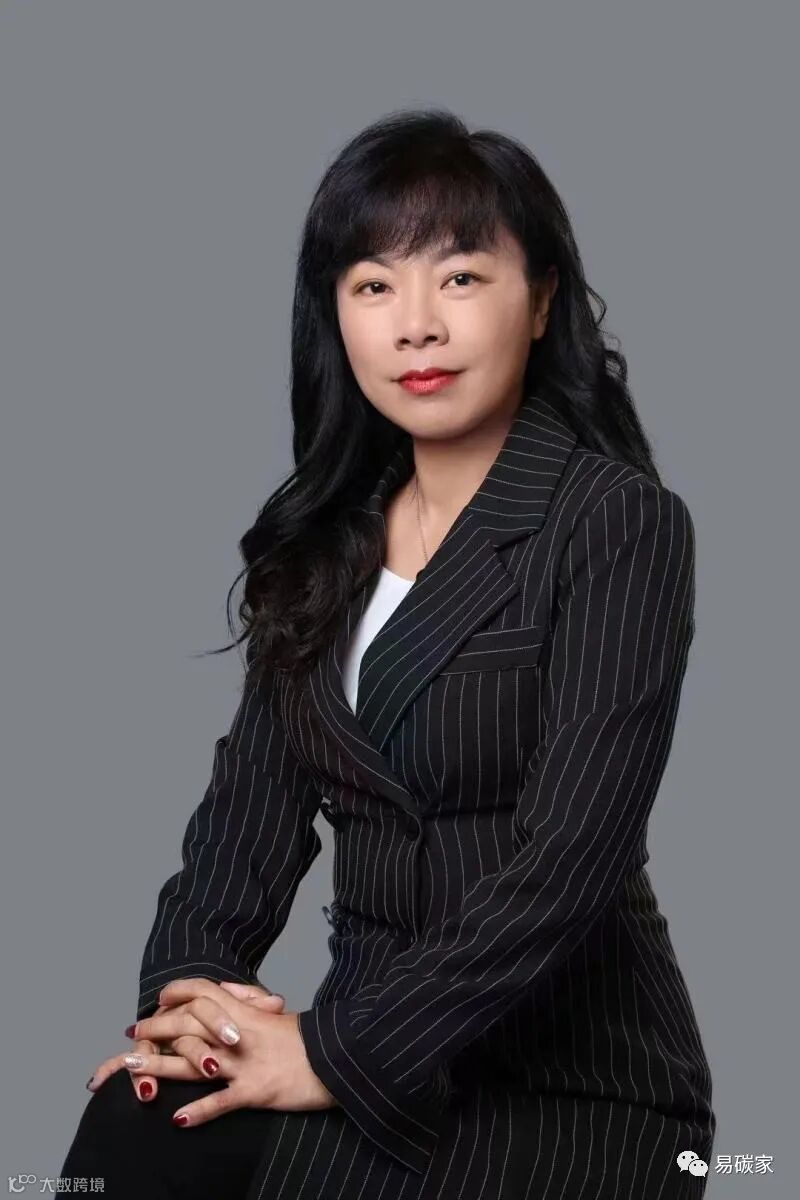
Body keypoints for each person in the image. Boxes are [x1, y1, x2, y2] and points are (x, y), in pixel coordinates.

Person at [59, 105, 715, 1199]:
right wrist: (194, 1012)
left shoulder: (615, 522)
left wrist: (327, 1055)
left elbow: (569, 862)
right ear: (335, 316)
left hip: (570, 1085)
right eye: (372, 285)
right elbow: (242, 826)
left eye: (459, 277)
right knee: (138, 1120)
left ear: (540, 300)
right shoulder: (329, 541)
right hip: (374, 1055)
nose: (415, 325)